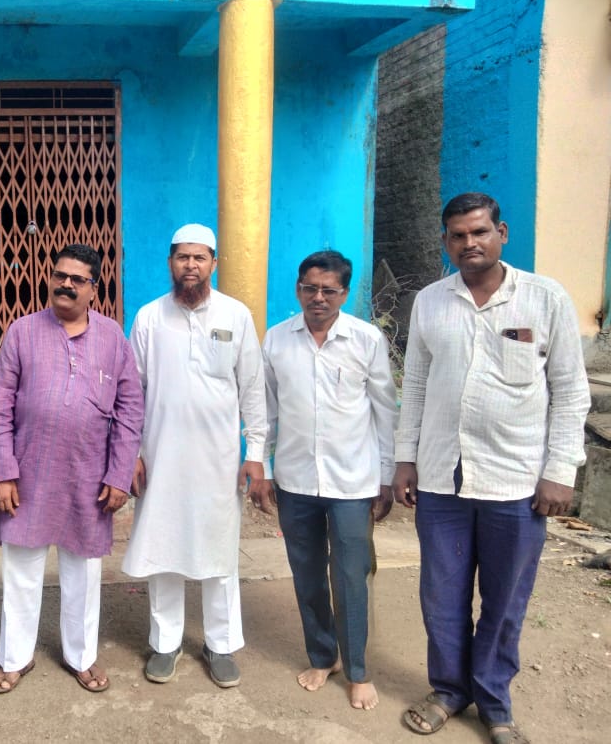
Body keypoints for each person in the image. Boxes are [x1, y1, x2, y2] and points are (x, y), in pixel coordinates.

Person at [393, 193, 590, 744]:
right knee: (442, 595)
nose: (469, 243)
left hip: (517, 481)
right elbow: (415, 383)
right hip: (442, 478)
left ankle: (495, 703)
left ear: (501, 233)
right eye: (457, 235)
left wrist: (560, 470)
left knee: (504, 600)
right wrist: (404, 458)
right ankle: (449, 691)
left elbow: (571, 391)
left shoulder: (545, 298)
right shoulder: (430, 301)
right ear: (445, 241)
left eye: (479, 232)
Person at [0, 244, 144, 694]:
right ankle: (15, 658)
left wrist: (119, 474)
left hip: (89, 474)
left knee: (83, 573)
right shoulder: (22, 331)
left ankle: (81, 656)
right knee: (21, 569)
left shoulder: (113, 338)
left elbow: (130, 411)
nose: (65, 284)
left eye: (77, 279)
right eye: (59, 276)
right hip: (28, 471)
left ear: (94, 289)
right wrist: (2, 472)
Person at [122, 223, 267, 688]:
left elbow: (253, 388)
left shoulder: (235, 315)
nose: (191, 265)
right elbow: (132, 391)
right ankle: (165, 643)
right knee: (163, 548)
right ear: (170, 263)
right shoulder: (149, 317)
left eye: (199, 257)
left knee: (219, 551)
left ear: (213, 263)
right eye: (183, 257)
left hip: (218, 459)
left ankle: (220, 645)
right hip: (160, 455)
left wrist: (256, 452)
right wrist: (132, 453)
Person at [252, 250, 397, 711]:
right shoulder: (277, 339)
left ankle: (358, 670)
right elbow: (266, 410)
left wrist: (387, 476)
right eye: (310, 288)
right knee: (308, 574)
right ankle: (323, 656)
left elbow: (384, 410)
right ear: (298, 289)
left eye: (328, 290)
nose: (318, 298)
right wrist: (263, 467)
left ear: (344, 293)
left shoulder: (366, 339)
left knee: (351, 576)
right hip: (295, 480)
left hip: (352, 482)